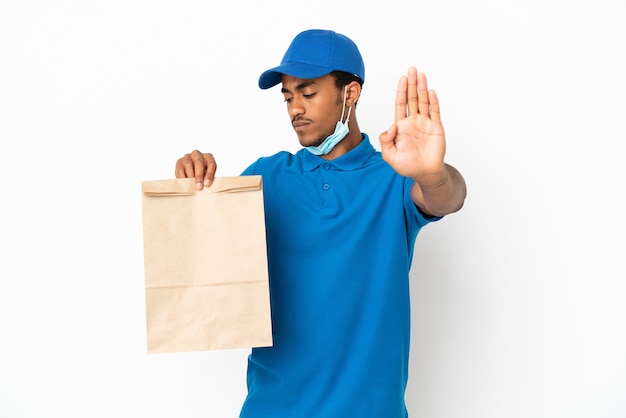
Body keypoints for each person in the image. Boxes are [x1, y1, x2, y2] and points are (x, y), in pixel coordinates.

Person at [175, 29, 466, 418]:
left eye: (308, 93)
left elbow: (448, 197)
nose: (295, 107)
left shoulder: (393, 177)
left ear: (350, 93)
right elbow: (201, 260)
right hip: (271, 408)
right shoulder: (266, 177)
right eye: (288, 96)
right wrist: (192, 192)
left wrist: (432, 174)